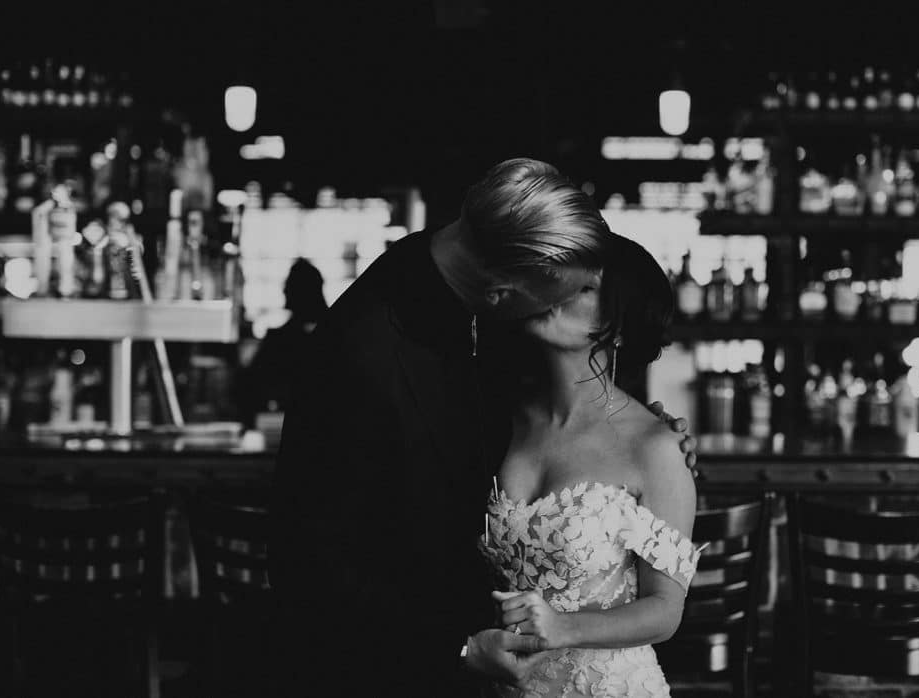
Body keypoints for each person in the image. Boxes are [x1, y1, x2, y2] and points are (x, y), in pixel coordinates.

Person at [267, 158, 697, 696]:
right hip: (380, 667)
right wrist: (460, 647)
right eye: (569, 286)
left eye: (587, 289)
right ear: (506, 293)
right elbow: (307, 562)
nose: (565, 299)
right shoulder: (362, 352)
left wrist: (648, 436)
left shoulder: (487, 337)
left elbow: (661, 597)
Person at [477, 234, 699, 697]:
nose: (555, 293)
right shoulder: (494, 419)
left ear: (617, 326)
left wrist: (564, 628)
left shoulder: (655, 444)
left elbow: (665, 610)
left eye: (584, 288)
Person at [238, 257, 328, 427]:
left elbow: (250, 385)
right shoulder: (338, 333)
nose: (284, 291)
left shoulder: (282, 339)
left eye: (289, 286)